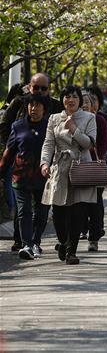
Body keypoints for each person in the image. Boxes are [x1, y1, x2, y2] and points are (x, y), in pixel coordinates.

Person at [40, 86, 97, 265]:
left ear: (80, 100)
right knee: (58, 211)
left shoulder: (89, 118)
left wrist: (74, 129)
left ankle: (72, 250)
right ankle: (63, 242)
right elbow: (48, 143)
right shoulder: (54, 118)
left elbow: (89, 144)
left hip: (81, 167)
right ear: (62, 99)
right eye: (66, 97)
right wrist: (44, 163)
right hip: (60, 168)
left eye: (74, 97)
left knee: (78, 212)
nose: (70, 100)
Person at [0, 94, 50, 259]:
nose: (33, 109)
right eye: (31, 105)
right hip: (21, 176)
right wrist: (1, 171)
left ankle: (36, 242)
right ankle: (27, 244)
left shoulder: (50, 126)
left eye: (37, 105)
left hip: (44, 176)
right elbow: (9, 152)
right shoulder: (18, 126)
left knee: (42, 212)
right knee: (23, 211)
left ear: (44, 108)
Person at [82, 92, 107, 252]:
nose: (85, 104)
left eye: (87, 102)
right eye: (82, 101)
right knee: (80, 204)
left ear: (93, 105)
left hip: (94, 167)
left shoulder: (99, 120)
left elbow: (104, 144)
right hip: (76, 166)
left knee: (95, 203)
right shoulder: (73, 120)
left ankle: (94, 236)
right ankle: (81, 230)